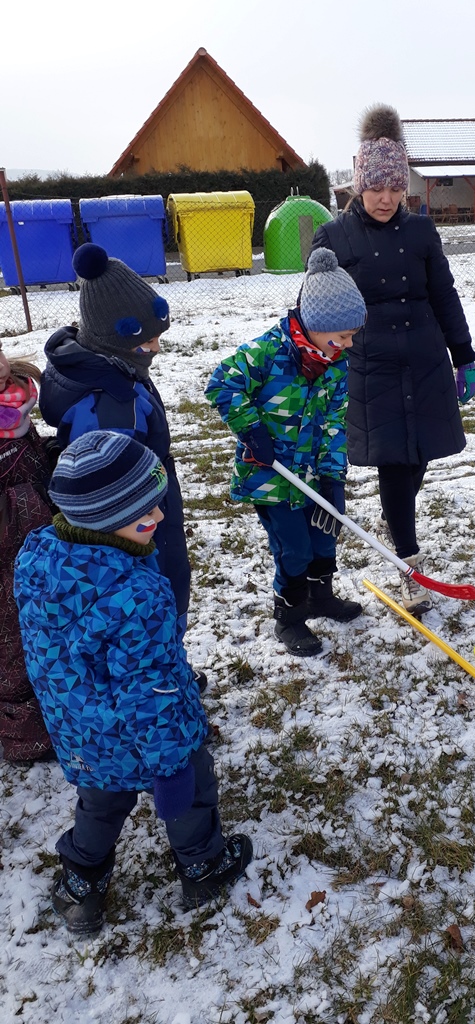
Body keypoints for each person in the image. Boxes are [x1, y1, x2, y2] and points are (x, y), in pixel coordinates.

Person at [14, 430, 252, 935]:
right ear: (105, 520)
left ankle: (81, 885)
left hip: (82, 732)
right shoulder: (135, 594)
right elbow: (150, 692)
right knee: (191, 794)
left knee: (100, 804)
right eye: (145, 515)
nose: (159, 517)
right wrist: (170, 766)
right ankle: (203, 866)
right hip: (150, 735)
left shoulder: (38, 559)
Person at [311, 104, 475, 615]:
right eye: (375, 187)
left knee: (419, 455)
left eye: (394, 188)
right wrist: (317, 362)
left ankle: (395, 515)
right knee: (395, 462)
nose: (385, 199)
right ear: (359, 184)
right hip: (369, 366)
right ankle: (409, 563)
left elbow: (444, 295)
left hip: (425, 359)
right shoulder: (334, 237)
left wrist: (463, 355)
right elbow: (315, 307)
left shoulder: (421, 232)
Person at [39, 243, 205, 685]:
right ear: (114, 337)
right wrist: (150, 514)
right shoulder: (113, 403)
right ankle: (162, 674)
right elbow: (115, 487)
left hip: (146, 499)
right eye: (146, 341)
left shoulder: (107, 367)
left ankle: (168, 662)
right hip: (138, 520)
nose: (155, 348)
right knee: (159, 585)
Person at [205, 247, 368, 657]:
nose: (349, 344)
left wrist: (333, 478)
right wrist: (251, 430)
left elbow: (335, 423)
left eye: (352, 335)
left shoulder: (335, 364)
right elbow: (222, 382)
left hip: (313, 473)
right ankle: (290, 617)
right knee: (294, 550)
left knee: (325, 538)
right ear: (316, 324)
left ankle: (321, 598)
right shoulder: (267, 352)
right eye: (343, 335)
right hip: (271, 477)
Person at [0, 344, 56, 763]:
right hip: (7, 548)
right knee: (12, 639)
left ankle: (53, 710)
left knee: (42, 625)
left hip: (34, 540)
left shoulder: (16, 400)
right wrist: (27, 501)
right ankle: (22, 735)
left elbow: (26, 458)